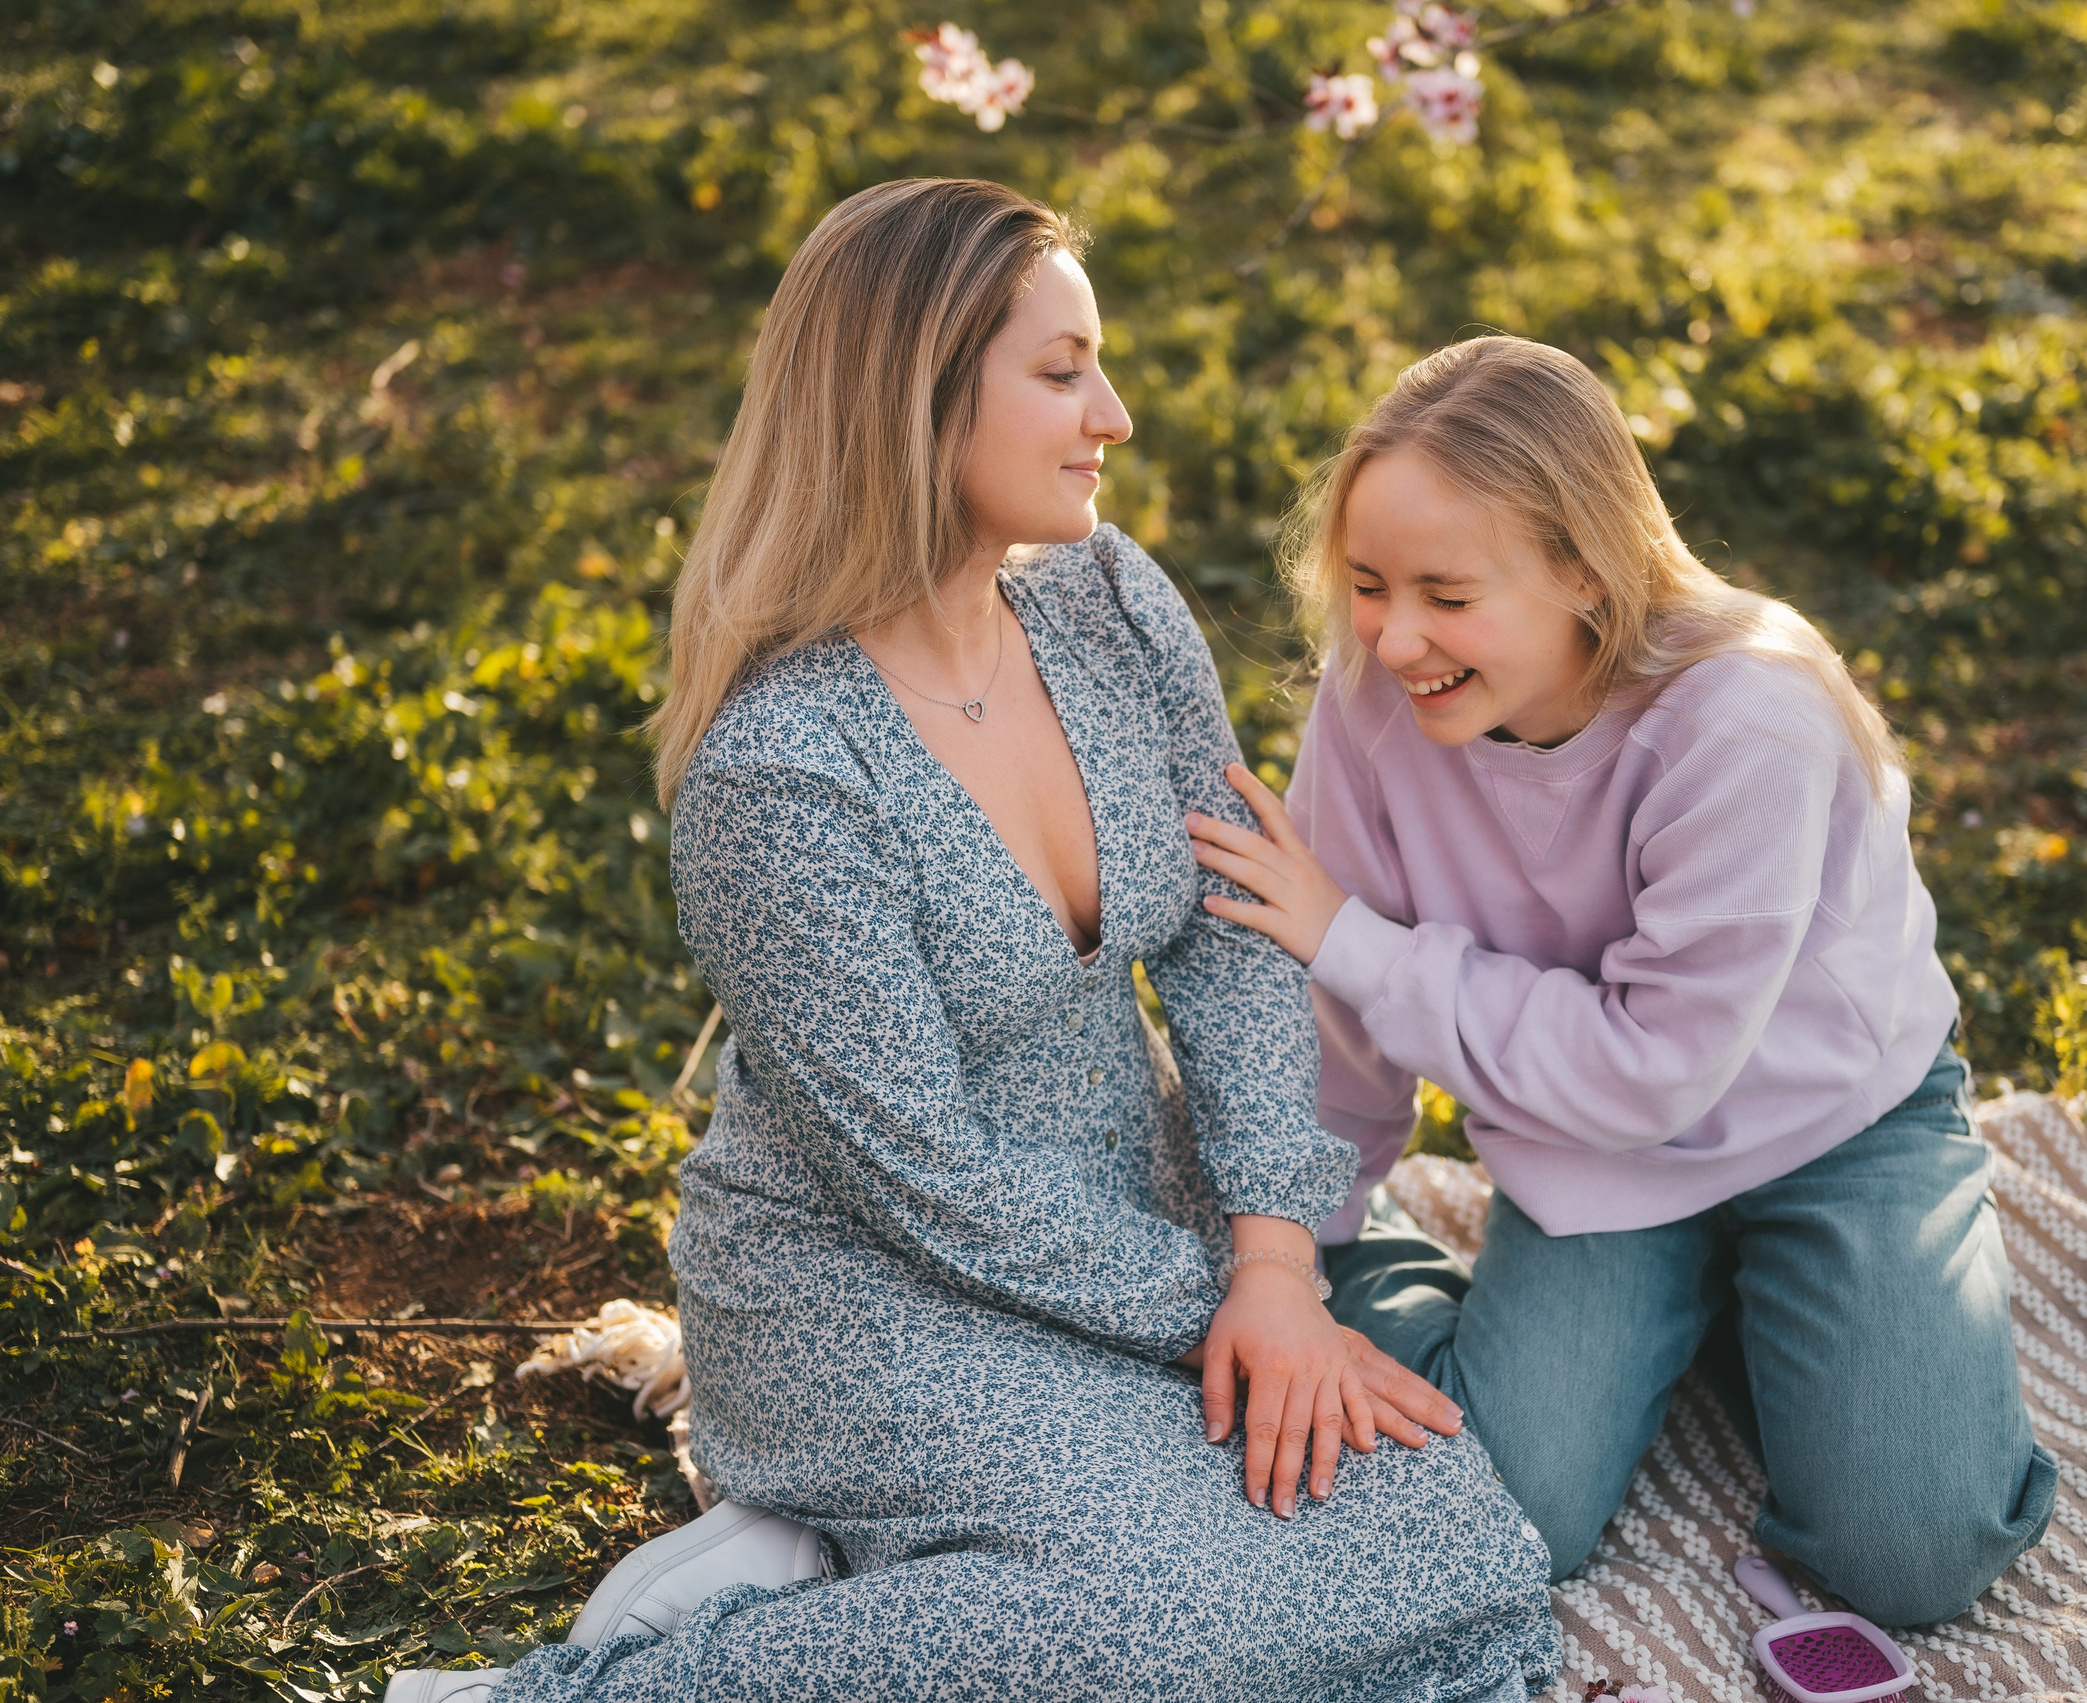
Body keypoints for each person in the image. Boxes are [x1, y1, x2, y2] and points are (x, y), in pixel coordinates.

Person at [388, 182, 1558, 1703]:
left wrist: (1276, 1261)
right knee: (1166, 1616)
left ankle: (886, 1568)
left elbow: (1234, 931)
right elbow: (919, 1173)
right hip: (868, 1298)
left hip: (1143, 1224)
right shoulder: (784, 774)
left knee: (1461, 1547)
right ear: (920, 401)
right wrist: (1221, 1308)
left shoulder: (1110, 603)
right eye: (1064, 372)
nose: (1113, 415)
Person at [1182, 334, 2058, 1628]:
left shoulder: (1746, 720)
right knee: (1511, 1504)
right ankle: (1681, 1313)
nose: (1395, 635)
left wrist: (1355, 940)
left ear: (1584, 569)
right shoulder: (1379, 699)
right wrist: (1298, 1251)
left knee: (1914, 1553)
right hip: (1583, 1151)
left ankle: (1760, 1308)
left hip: (1830, 1127)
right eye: (1368, 584)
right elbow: (1342, 1021)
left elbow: (1648, 1070)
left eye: (1446, 594)